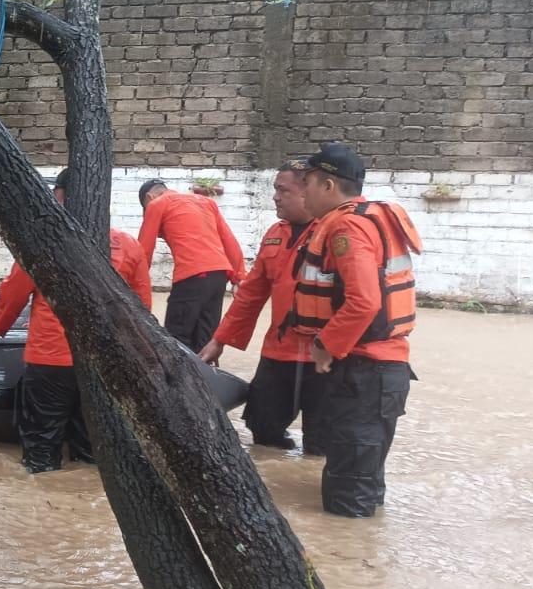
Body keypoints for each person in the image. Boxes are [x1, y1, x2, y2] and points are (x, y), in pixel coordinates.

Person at [0, 168, 153, 473]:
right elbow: (141, 308)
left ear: (59, 195)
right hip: (104, 361)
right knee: (91, 447)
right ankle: (80, 493)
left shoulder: (42, 242)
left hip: (51, 357)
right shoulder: (128, 245)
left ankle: (44, 487)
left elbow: (14, 294)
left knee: (41, 446)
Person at [284, 142, 422, 518]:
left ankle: (352, 552)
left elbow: (364, 301)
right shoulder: (369, 219)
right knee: (364, 489)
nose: (302, 192)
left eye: (307, 182)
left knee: (347, 500)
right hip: (381, 373)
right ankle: (362, 553)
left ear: (328, 185)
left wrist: (325, 345)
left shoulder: (347, 226)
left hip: (364, 374)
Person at [199, 160, 325, 453]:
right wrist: (219, 340)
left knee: (321, 443)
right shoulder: (274, 234)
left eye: (283, 190)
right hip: (279, 352)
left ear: (308, 190)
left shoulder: (332, 231)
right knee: (262, 427)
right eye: (275, 189)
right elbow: (250, 295)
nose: (275, 197)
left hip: (323, 355)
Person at [137, 178, 246, 353]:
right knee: (205, 343)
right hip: (219, 276)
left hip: (191, 276)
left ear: (150, 197)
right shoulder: (206, 202)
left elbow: (144, 250)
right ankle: (206, 370)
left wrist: (133, 282)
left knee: (177, 341)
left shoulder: (157, 204)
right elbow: (228, 240)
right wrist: (239, 278)